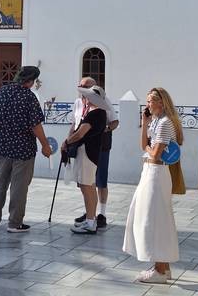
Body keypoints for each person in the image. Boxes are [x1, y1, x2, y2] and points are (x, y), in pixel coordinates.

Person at [123, 87, 183, 284]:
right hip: (149, 171)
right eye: (147, 101)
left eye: (150, 101)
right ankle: (163, 268)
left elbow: (155, 153)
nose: (147, 104)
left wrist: (150, 149)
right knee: (151, 216)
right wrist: (144, 124)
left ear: (161, 102)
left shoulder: (165, 123)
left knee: (154, 219)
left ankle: (159, 269)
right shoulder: (156, 121)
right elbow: (144, 146)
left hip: (156, 172)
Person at [0, 66, 52, 233]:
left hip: (3, 145)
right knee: (19, 186)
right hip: (23, 148)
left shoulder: (1, 92)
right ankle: (15, 223)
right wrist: (45, 145)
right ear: (30, 81)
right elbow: (35, 125)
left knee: (1, 182)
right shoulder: (28, 97)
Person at [70, 77, 119, 229]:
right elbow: (75, 123)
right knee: (85, 181)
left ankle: (101, 214)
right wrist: (69, 139)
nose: (82, 89)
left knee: (100, 180)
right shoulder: (78, 102)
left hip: (100, 144)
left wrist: (102, 129)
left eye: (86, 87)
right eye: (81, 86)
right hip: (82, 144)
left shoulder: (103, 101)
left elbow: (114, 122)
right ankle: (90, 213)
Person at [61, 85, 107, 234]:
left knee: (86, 186)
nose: (84, 99)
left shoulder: (94, 114)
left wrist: (67, 142)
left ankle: (90, 223)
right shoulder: (98, 113)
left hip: (87, 153)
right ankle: (90, 220)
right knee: (89, 186)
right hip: (90, 153)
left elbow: (81, 133)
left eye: (87, 96)